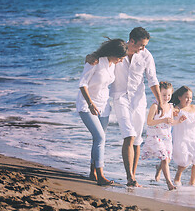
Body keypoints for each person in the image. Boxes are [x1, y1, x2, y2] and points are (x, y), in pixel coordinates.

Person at [86, 27, 163, 187]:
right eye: (141, 45)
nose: (143, 48)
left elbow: (152, 79)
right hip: (120, 97)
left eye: (145, 46)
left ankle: (131, 176)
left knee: (136, 140)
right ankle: (130, 178)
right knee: (128, 135)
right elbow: (99, 56)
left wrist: (160, 102)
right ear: (132, 41)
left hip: (139, 99)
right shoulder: (118, 50)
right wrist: (91, 56)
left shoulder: (146, 55)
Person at [76, 38, 127, 186]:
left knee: (98, 139)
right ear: (112, 53)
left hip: (103, 106)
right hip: (87, 104)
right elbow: (82, 84)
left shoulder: (113, 64)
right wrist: (90, 104)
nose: (121, 61)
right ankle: (101, 176)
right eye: (120, 58)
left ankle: (92, 173)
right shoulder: (95, 62)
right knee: (100, 138)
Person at [142, 81, 186, 190]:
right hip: (155, 137)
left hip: (166, 136)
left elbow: (170, 122)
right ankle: (169, 183)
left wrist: (179, 121)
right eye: (164, 95)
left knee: (167, 159)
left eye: (169, 95)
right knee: (165, 159)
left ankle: (158, 169)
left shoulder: (171, 107)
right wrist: (163, 119)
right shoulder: (155, 106)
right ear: (158, 94)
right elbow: (149, 122)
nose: (166, 97)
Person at [170, 86, 195, 186]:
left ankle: (192, 182)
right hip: (181, 138)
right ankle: (178, 176)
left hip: (193, 138)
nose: (189, 100)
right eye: (186, 97)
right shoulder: (177, 109)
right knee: (183, 160)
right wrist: (177, 119)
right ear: (179, 97)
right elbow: (171, 121)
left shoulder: (194, 108)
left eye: (190, 98)